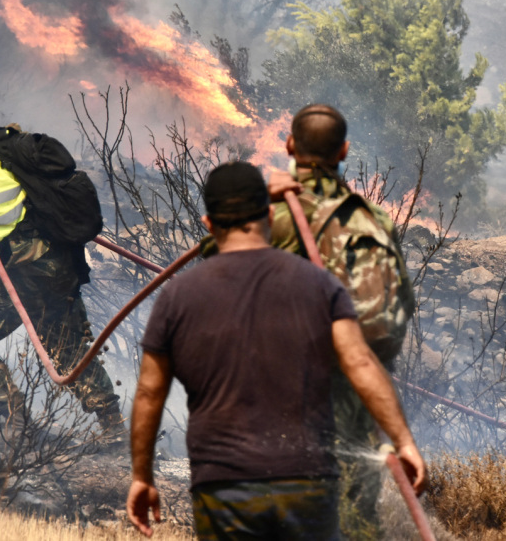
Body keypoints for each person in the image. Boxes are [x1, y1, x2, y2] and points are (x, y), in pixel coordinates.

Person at [126, 161, 425, 539]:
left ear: (207, 224)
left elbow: (151, 392)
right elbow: (361, 362)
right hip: (307, 482)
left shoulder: (177, 297)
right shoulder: (319, 285)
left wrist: (141, 475)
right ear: (269, 214)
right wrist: (404, 442)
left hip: (224, 489)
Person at [0, 83, 123, 435]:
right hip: (65, 259)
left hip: (25, 267)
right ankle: (112, 424)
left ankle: (15, 418)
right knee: (67, 345)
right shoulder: (9, 140)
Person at [267, 104, 415, 533]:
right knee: (355, 511)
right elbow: (402, 299)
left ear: (291, 145)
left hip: (290, 385)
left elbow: (220, 270)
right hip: (363, 383)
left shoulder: (277, 214)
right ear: (344, 150)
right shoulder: (374, 217)